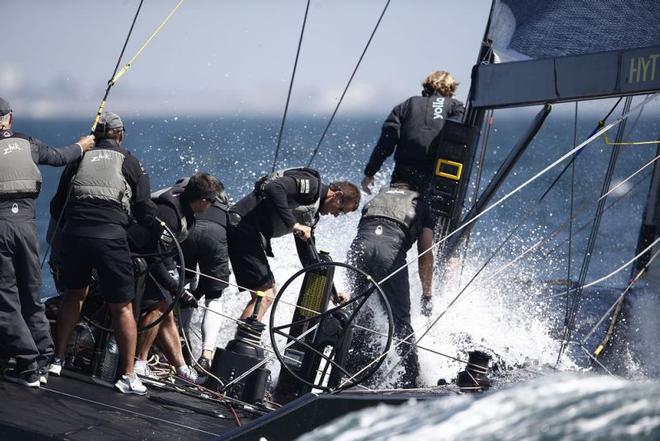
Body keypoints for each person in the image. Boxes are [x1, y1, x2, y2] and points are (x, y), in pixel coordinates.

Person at [50, 111, 156, 395]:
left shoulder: (78, 158)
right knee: (121, 306)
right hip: (110, 239)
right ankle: (128, 375)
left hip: (75, 235)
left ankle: (56, 360)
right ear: (120, 135)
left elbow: (57, 205)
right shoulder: (130, 161)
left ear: (95, 135)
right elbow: (145, 210)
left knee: (74, 294)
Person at [0, 97, 94, 388]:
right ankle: (44, 357)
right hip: (27, 229)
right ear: (10, 119)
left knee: (5, 301)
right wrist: (83, 146)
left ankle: (27, 366)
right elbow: (60, 156)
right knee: (31, 294)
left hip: (1, 228)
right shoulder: (28, 143)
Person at [228, 167, 360, 321]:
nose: (337, 215)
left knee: (265, 295)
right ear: (337, 196)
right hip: (241, 225)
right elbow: (274, 187)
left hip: (247, 232)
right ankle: (242, 342)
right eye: (341, 210)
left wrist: (332, 293)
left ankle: (243, 340)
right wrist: (294, 225)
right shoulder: (312, 186)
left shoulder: (311, 216)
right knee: (265, 295)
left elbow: (309, 258)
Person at [133, 173, 221, 384]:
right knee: (159, 306)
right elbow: (155, 258)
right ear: (202, 201)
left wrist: (178, 285)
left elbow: (167, 253)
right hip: (137, 256)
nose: (213, 206)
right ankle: (140, 363)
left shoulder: (186, 206)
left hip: (154, 256)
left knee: (167, 309)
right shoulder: (170, 214)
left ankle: (182, 369)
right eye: (213, 202)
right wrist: (177, 289)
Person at [346, 182, 434, 388]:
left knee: (356, 309)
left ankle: (347, 364)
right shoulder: (421, 206)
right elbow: (425, 256)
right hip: (389, 255)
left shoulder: (376, 199)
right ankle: (410, 380)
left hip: (358, 250)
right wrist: (427, 294)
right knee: (400, 320)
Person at [361, 71, 465, 195]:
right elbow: (457, 135)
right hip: (438, 175)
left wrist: (370, 173)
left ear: (426, 86)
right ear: (451, 89)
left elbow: (386, 143)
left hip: (404, 174)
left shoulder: (405, 105)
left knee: (398, 210)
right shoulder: (456, 107)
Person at [179, 187, 232, 374]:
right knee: (214, 298)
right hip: (217, 233)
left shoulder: (184, 191)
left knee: (180, 284)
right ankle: (206, 356)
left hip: (190, 228)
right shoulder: (224, 202)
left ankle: (178, 343)